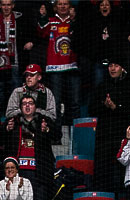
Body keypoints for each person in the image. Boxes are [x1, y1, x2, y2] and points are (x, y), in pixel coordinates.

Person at [2, 95, 57, 200]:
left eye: (30, 103)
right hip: (18, 176)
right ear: (20, 107)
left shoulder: (43, 122)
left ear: (35, 107)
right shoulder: (13, 122)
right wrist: (7, 129)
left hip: (38, 175)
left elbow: (57, 134)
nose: (27, 106)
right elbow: (0, 140)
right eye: (24, 104)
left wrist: (47, 130)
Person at [89, 57, 130, 193]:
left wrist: (116, 107)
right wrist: (105, 106)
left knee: (121, 171)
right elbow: (92, 109)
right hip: (104, 135)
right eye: (110, 66)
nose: (113, 68)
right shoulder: (102, 86)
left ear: (122, 68)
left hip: (122, 135)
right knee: (103, 171)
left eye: (116, 65)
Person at [38, 0, 80, 131]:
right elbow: (41, 33)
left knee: (74, 102)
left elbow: (82, 37)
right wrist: (43, 16)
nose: (62, 6)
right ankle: (56, 134)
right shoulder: (50, 21)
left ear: (70, 7)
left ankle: (76, 134)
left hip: (73, 67)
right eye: (60, 4)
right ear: (55, 7)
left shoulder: (75, 21)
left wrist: (73, 21)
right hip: (55, 68)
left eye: (65, 4)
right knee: (55, 103)